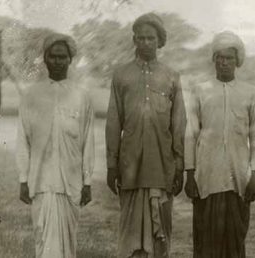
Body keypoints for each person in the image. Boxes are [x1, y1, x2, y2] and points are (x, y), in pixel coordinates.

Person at [105, 13, 186, 258]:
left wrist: (180, 165)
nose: (146, 43)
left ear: (160, 41)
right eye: (140, 38)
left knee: (160, 230)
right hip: (130, 165)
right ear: (134, 40)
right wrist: (112, 165)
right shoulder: (121, 75)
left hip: (162, 166)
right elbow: (113, 122)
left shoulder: (172, 76)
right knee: (130, 233)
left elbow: (179, 123)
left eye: (151, 38)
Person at [183, 31, 255, 258]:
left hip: (238, 178)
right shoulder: (200, 90)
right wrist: (190, 174)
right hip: (206, 177)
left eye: (229, 57)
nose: (224, 62)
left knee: (235, 240)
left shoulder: (250, 93)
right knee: (205, 241)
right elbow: (191, 134)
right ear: (213, 59)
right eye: (219, 57)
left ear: (237, 61)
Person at [16, 32, 94, 258]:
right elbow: (23, 139)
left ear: (71, 59)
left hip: (71, 182)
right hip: (40, 181)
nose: (58, 62)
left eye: (63, 57)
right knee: (42, 238)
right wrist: (23, 179)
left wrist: (87, 181)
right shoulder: (31, 95)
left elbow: (88, 141)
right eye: (53, 56)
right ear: (45, 59)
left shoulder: (82, 96)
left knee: (68, 241)